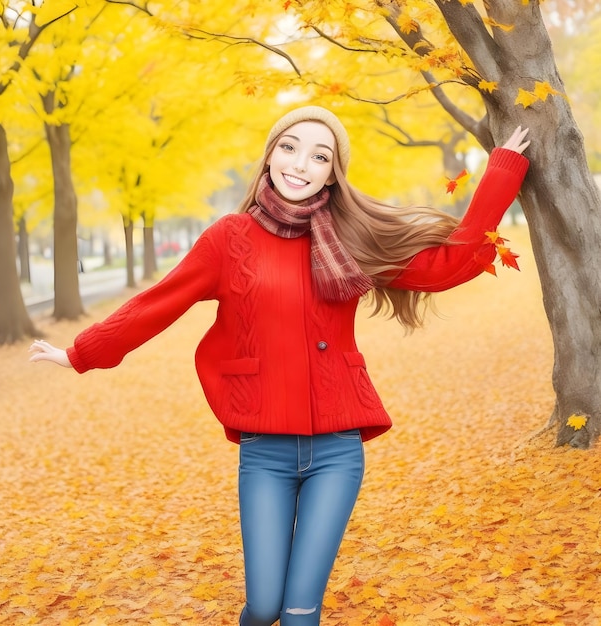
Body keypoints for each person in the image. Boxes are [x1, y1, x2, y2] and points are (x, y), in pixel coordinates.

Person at [29, 106, 530, 625]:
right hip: (264, 450)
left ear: (332, 172)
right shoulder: (229, 238)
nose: (300, 163)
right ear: (270, 154)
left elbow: (449, 266)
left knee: (296, 613)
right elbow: (159, 302)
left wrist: (501, 171)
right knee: (264, 606)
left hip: (336, 448)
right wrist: (81, 353)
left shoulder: (349, 239)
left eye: (320, 155)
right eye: (289, 147)